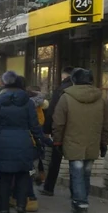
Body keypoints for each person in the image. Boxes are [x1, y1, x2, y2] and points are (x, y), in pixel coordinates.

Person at [0, 71, 50, 213]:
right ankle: (21, 206)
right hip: (23, 141)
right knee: (23, 176)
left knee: (5, 178)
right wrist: (40, 142)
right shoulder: (27, 102)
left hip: (2, 143)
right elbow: (35, 125)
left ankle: (3, 210)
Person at [52, 68, 108, 213]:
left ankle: (80, 205)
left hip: (73, 141)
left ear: (74, 80)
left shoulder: (66, 98)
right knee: (85, 174)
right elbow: (106, 123)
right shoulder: (101, 99)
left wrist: (57, 141)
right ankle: (81, 202)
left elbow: (58, 122)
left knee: (76, 173)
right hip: (92, 142)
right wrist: (104, 141)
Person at [41, 67, 73, 196]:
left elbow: (52, 111)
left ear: (64, 76)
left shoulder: (61, 90)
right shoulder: (86, 91)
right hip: (77, 132)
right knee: (76, 163)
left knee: (55, 160)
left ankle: (49, 187)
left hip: (60, 131)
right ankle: (77, 193)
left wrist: (47, 130)